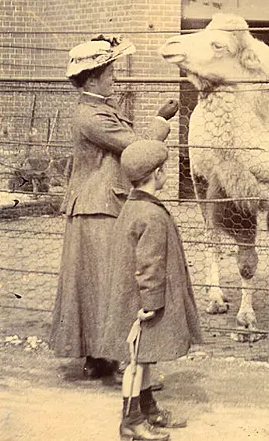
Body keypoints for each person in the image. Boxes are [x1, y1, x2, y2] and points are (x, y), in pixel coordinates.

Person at [50, 35, 179, 380]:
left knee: (97, 282)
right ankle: (124, 362)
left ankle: (99, 358)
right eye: (110, 71)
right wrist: (160, 121)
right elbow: (137, 149)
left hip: (99, 205)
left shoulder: (100, 109)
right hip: (100, 206)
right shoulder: (92, 116)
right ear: (92, 77)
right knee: (115, 283)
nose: (115, 77)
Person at [104, 139, 202, 441]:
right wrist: (151, 301)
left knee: (143, 357)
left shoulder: (134, 207)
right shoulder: (152, 215)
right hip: (143, 303)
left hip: (133, 299)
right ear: (157, 173)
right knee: (134, 363)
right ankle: (131, 421)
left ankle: (147, 408)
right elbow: (150, 264)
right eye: (165, 170)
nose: (166, 174)